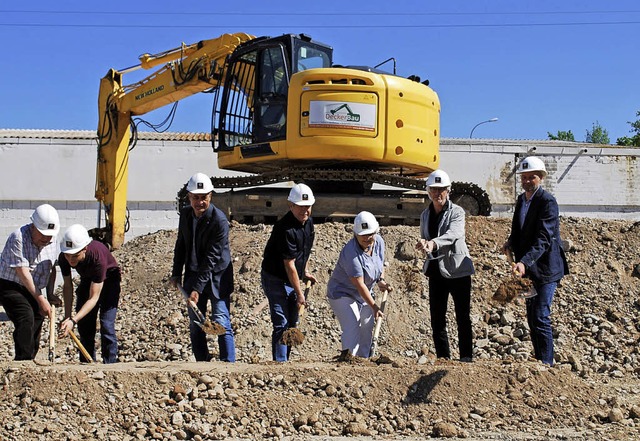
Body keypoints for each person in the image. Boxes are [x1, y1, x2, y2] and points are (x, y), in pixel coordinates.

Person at [502, 156, 569, 366]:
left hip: (547, 268)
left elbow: (544, 238)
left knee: (540, 315)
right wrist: (510, 242)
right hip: (528, 269)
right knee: (532, 318)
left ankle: (547, 365)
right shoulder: (522, 200)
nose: (527, 181)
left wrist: (523, 262)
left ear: (541, 178)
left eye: (532, 177)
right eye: (524, 177)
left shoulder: (547, 202)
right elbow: (519, 230)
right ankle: (540, 360)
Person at [170, 172, 235, 362]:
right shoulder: (186, 215)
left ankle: (228, 364)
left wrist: (197, 289)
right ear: (189, 197)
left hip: (217, 277)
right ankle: (201, 363)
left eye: (203, 198)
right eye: (195, 198)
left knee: (221, 320)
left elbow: (211, 258)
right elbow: (181, 244)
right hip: (193, 274)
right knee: (196, 322)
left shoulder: (219, 221)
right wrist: (176, 273)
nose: (200, 202)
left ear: (210, 196)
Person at [416, 170, 475, 362]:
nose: (437, 193)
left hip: (458, 270)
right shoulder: (425, 214)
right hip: (436, 270)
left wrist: (433, 243)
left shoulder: (457, 212)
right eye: (434, 189)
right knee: (437, 318)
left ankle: (466, 356)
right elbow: (425, 235)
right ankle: (443, 357)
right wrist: (424, 244)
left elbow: (454, 234)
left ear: (448, 190)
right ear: (428, 191)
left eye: (441, 190)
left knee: (462, 317)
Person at [261, 183, 318, 362]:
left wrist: (305, 271)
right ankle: (280, 363)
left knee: (293, 322)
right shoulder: (284, 229)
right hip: (275, 278)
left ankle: (285, 359)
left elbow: (305, 251)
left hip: (291, 278)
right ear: (291, 206)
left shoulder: (308, 224)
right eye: (300, 207)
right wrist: (300, 293)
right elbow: (289, 264)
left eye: (307, 207)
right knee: (281, 322)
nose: (305, 211)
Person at [327, 211, 391, 358]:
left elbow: (379, 264)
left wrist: (380, 280)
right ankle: (349, 361)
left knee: (367, 326)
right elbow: (359, 284)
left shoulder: (379, 242)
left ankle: (363, 361)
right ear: (355, 234)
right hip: (342, 293)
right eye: (363, 234)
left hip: (365, 292)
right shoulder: (351, 253)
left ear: (376, 231)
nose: (367, 238)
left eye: (370, 234)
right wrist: (374, 306)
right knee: (352, 326)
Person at [0, 204, 60, 360]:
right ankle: (23, 360)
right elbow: (22, 272)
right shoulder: (18, 237)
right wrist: (41, 299)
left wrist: (50, 294)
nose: (46, 239)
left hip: (35, 287)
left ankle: (30, 359)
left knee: (37, 317)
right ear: (34, 226)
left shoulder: (51, 241)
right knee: (25, 316)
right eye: (43, 235)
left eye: (49, 236)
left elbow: (50, 268)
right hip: (11, 285)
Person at [58, 224, 121, 363]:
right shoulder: (64, 257)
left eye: (75, 255)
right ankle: (86, 363)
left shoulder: (97, 257)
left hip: (110, 281)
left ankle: (110, 365)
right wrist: (68, 317)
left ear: (85, 248)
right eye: (68, 255)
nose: (71, 260)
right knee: (85, 324)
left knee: (106, 324)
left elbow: (94, 298)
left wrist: (74, 320)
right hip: (88, 279)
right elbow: (67, 287)